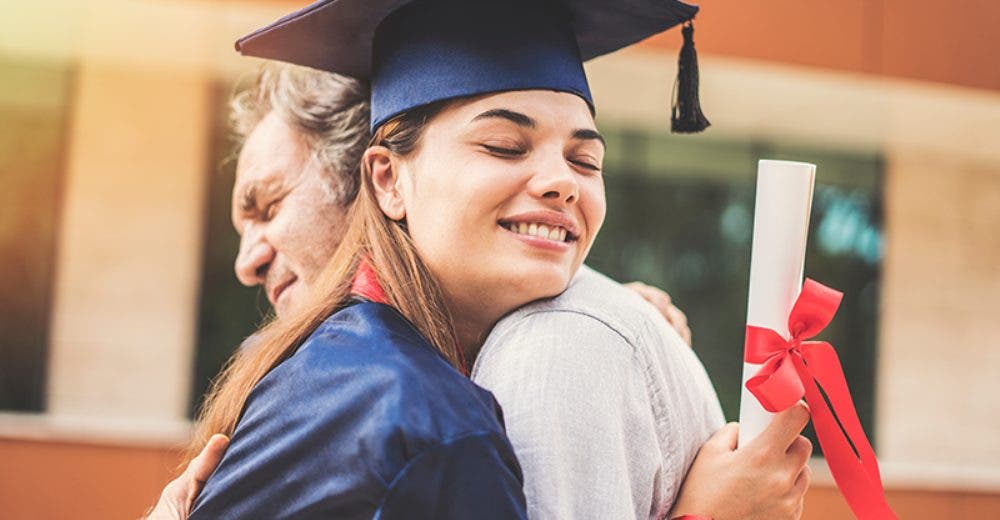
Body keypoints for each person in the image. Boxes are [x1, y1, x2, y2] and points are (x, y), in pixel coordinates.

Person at [150, 0, 813, 518]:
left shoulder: (319, 371)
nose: (563, 181)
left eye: (586, 159)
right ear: (386, 180)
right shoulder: (433, 427)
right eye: (503, 146)